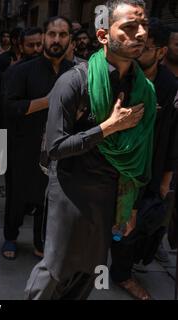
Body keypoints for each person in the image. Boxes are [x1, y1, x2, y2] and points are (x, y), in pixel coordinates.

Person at [25, 0, 154, 300]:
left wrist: (130, 205)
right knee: (55, 272)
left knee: (92, 273)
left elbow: (143, 151)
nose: (140, 34)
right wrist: (107, 128)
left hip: (110, 197)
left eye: (144, 25)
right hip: (71, 193)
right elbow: (55, 147)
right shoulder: (73, 82)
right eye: (129, 27)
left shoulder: (143, 89)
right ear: (103, 36)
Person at [110, 18, 178, 300]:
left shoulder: (170, 86)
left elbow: (174, 137)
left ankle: (124, 270)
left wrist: (166, 179)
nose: (137, 50)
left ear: (160, 52)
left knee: (139, 226)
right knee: (119, 224)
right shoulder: (122, 77)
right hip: (116, 167)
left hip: (151, 169)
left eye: (145, 47)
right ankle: (117, 271)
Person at [2, 17, 74, 260]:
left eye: (62, 35)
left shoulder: (75, 72)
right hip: (24, 146)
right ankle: (10, 237)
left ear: (69, 40)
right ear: (44, 37)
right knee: (17, 195)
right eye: (52, 34)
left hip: (58, 148)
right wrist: (47, 101)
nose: (56, 39)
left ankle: (39, 241)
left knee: (49, 197)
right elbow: (9, 107)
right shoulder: (22, 71)